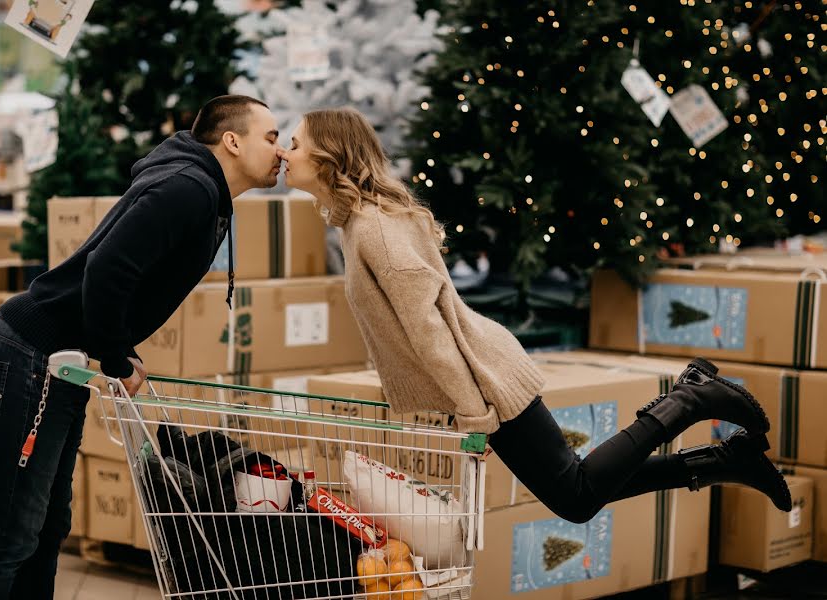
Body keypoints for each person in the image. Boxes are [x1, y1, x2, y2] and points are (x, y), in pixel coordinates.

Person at [279, 106, 791, 526]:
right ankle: (722, 457)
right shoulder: (356, 223)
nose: (286, 152)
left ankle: (688, 400)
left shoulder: (375, 230)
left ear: (329, 157)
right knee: (575, 494)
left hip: (483, 377)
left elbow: (428, 330)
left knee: (577, 494)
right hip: (476, 375)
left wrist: (472, 416)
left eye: (296, 143)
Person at [0, 95, 284, 599]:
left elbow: (126, 273)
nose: (280, 150)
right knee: (12, 530)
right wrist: (113, 355)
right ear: (233, 142)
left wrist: (117, 350)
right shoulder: (189, 189)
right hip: (30, 351)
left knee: (45, 527)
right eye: (272, 136)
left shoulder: (198, 188)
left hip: (56, 359)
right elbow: (107, 270)